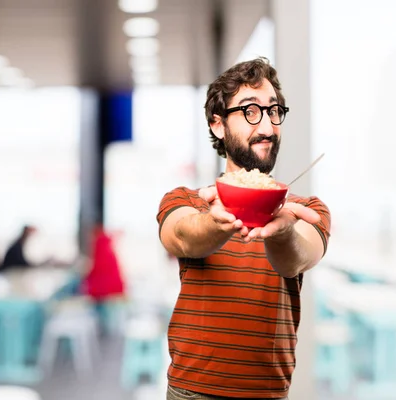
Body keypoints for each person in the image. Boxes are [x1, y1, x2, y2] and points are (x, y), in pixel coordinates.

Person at [157, 58, 331, 400]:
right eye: (251, 111)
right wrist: (219, 220)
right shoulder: (189, 201)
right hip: (192, 392)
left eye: (273, 111)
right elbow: (182, 236)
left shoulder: (304, 210)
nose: (266, 125)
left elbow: (296, 258)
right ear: (218, 125)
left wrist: (281, 232)